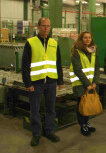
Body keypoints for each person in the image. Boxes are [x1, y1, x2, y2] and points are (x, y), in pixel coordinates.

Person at [22, 17, 63, 146]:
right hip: (36, 82)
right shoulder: (30, 42)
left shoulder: (54, 43)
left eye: (48, 26)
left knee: (51, 108)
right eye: (43, 25)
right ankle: (36, 134)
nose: (46, 28)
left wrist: (60, 80)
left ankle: (50, 131)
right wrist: (28, 83)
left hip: (51, 81)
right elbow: (25, 64)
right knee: (35, 109)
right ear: (38, 27)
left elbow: (58, 63)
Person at [70, 31, 100, 137]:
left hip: (91, 83)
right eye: (85, 37)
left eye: (89, 38)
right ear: (81, 39)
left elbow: (96, 67)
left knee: (88, 104)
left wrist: (95, 82)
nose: (88, 39)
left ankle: (87, 123)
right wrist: (87, 83)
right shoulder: (76, 52)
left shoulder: (93, 51)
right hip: (80, 83)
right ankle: (82, 125)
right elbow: (78, 70)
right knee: (82, 105)